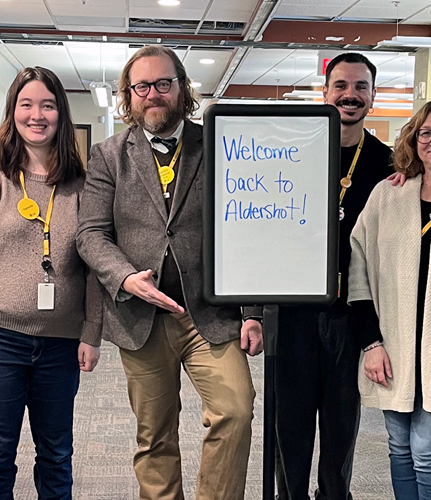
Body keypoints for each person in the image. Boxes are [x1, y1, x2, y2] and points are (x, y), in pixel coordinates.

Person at [76, 45, 262, 500]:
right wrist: (123, 277)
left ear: (182, 88)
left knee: (235, 410)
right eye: (143, 86)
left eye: (164, 84)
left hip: (211, 313)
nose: (154, 94)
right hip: (141, 316)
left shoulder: (219, 146)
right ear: (129, 94)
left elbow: (249, 225)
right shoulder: (108, 156)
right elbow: (90, 234)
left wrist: (254, 310)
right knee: (154, 435)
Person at [0, 67, 102, 500]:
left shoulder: (83, 183)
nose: (37, 115)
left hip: (60, 342)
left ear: (61, 113)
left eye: (48, 105)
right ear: (12, 111)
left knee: (56, 454)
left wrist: (92, 332)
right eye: (27, 104)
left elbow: (94, 264)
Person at [348, 99, 431, 500]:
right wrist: (370, 343)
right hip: (391, 347)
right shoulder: (387, 196)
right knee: (399, 448)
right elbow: (359, 269)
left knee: (427, 450)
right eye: (426, 132)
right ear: (414, 138)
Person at [274, 52, 393, 500]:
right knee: (291, 424)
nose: (351, 95)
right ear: (324, 93)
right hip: (294, 308)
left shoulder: (390, 166)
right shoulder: (294, 154)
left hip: (354, 311)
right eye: (341, 85)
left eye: (361, 87)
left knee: (342, 426)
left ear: (373, 96)